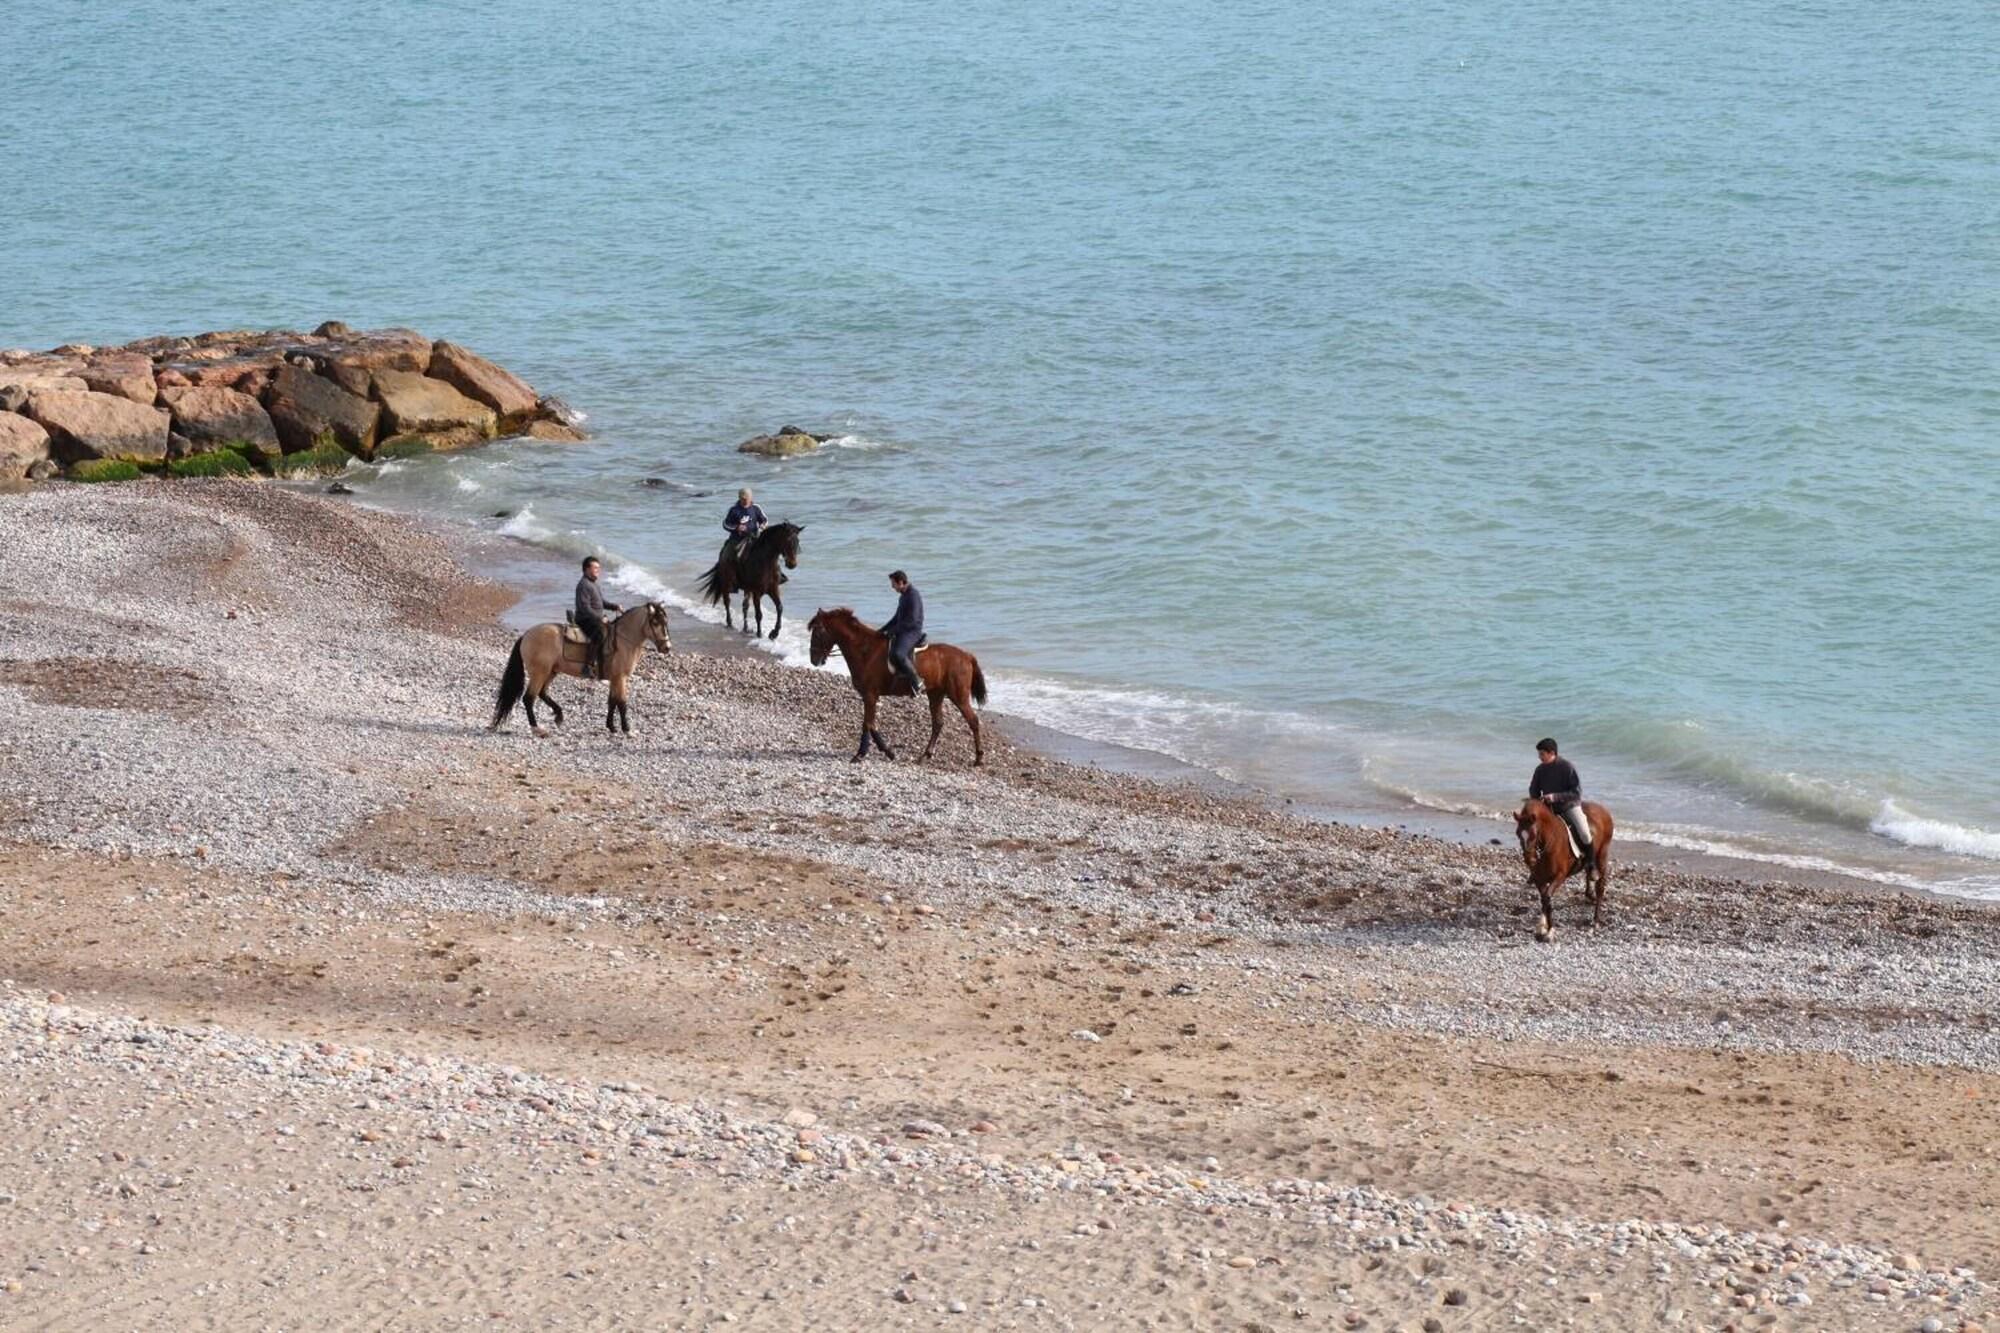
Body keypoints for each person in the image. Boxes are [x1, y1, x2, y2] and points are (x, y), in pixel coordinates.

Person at [1528, 737, 1592, 855]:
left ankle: (1590, 861)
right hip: (1549, 808)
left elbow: (1576, 792)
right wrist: (1537, 803)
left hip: (1569, 806)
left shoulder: (1567, 767)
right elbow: (1533, 790)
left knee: (1585, 834)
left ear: (1552, 753)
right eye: (1539, 754)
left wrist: (1554, 797)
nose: (1539, 757)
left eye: (1542, 754)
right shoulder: (1540, 770)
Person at [574, 556, 622, 680]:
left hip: (593, 618)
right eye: (595, 568)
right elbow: (584, 607)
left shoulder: (593, 584)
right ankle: (587, 666)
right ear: (586, 569)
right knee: (600, 634)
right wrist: (600, 618)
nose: (598, 570)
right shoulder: (583, 585)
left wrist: (615, 607)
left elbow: (601, 602)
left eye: (599, 568)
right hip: (585, 619)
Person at [878, 569, 924, 692]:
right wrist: (881, 631)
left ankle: (917, 680)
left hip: (912, 631)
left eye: (893, 584)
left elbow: (912, 621)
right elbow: (896, 619)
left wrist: (893, 631)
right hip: (903, 630)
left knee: (898, 653)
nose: (892, 587)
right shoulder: (903, 596)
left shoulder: (913, 596)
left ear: (901, 582)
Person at [721, 488, 768, 565]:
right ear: (739, 498)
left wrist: (762, 526)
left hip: (754, 537)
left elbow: (764, 520)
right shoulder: (734, 510)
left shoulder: (756, 508)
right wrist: (737, 527)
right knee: (728, 554)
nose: (745, 500)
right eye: (743, 499)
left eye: (747, 498)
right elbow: (726, 524)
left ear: (751, 498)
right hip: (737, 539)